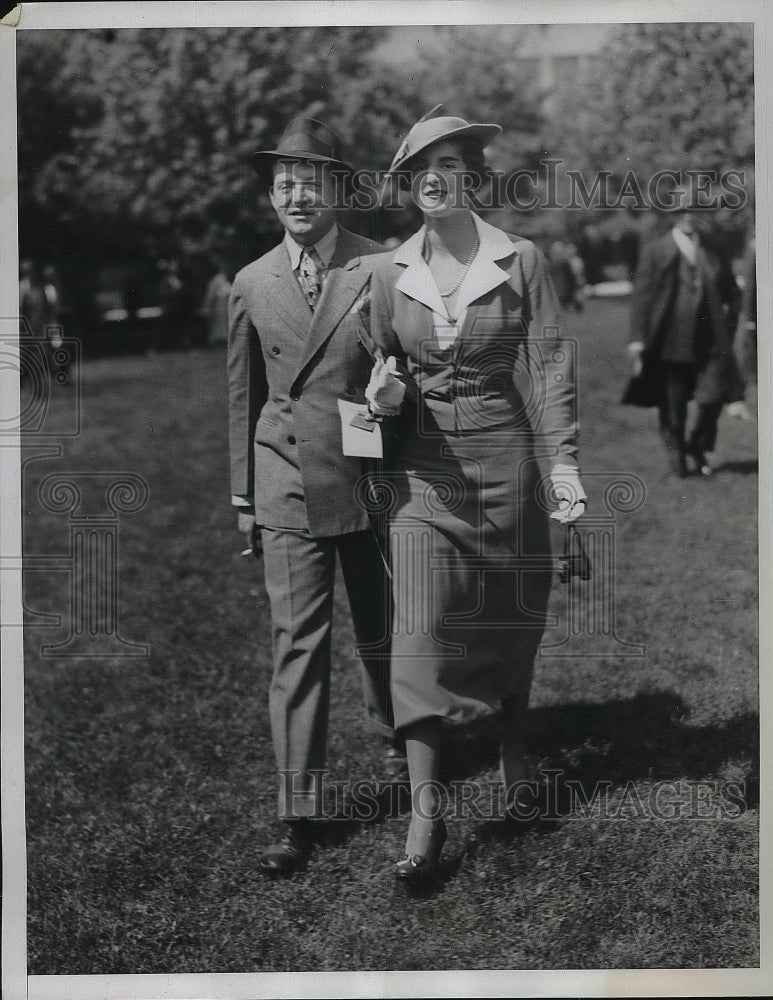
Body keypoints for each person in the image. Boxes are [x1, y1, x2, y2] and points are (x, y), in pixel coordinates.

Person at [364, 113, 586, 882]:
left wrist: (562, 470)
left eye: (449, 163)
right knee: (418, 632)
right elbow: (375, 375)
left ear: (471, 177)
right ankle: (426, 814)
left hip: (507, 466)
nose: (434, 176)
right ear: (406, 182)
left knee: (510, 616)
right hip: (424, 479)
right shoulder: (386, 273)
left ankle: (514, 749)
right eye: (419, 165)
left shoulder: (518, 260)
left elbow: (550, 367)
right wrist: (384, 395)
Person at [227, 117, 405, 876]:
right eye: (285, 183)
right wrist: (243, 495)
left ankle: (402, 751)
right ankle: (296, 812)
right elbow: (242, 396)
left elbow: (411, 368)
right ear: (272, 196)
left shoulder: (381, 267)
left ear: (339, 190)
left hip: (368, 482)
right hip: (285, 484)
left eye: (313, 181)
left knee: (381, 632)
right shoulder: (250, 281)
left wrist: (394, 391)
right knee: (294, 646)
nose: (298, 195)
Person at [626, 187, 744, 477]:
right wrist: (638, 339)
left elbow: (731, 290)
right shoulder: (656, 250)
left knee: (713, 398)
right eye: (680, 211)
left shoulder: (714, 249)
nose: (688, 216)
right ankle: (677, 459)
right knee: (673, 406)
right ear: (671, 215)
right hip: (670, 340)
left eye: (693, 210)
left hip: (710, 341)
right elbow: (642, 296)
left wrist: (730, 324)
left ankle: (698, 444)